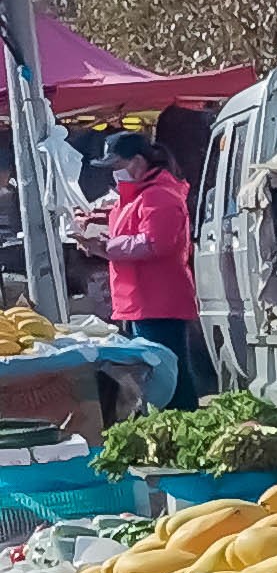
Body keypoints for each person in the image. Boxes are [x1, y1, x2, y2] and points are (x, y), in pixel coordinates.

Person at [78, 133, 204, 410]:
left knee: (169, 378)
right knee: (158, 377)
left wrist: (107, 246)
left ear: (137, 161)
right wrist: (96, 237)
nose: (113, 172)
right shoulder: (136, 196)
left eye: (116, 164)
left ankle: (182, 430)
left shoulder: (159, 195)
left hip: (159, 302)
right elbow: (130, 237)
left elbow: (155, 243)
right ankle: (173, 430)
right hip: (140, 301)